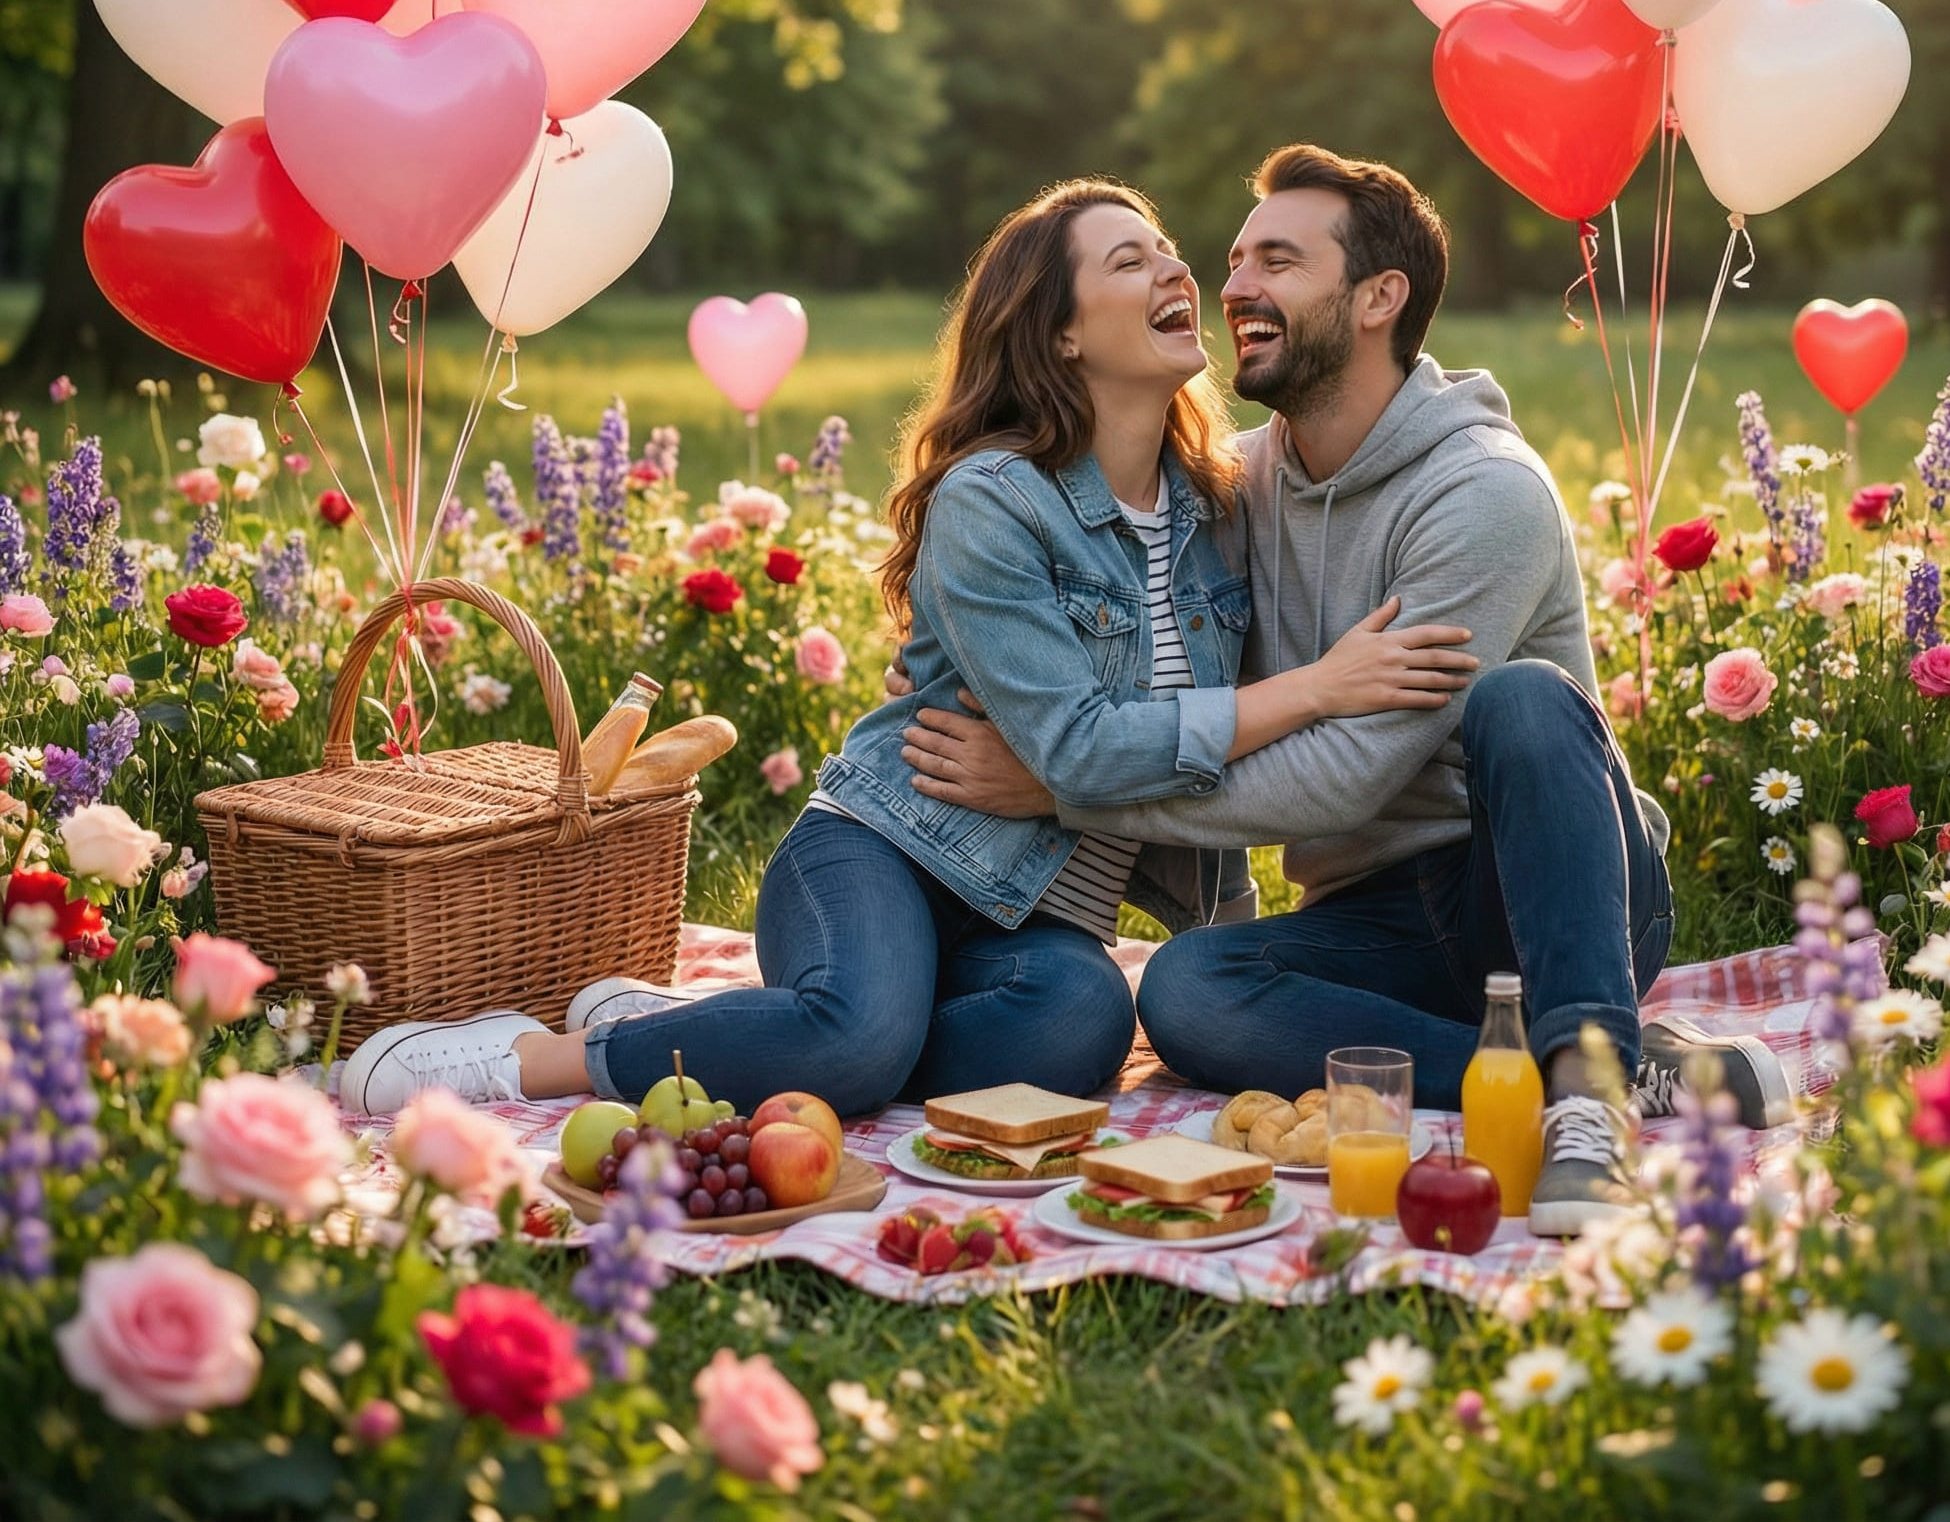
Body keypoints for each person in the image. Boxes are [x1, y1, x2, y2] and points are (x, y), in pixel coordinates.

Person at [340, 179, 1477, 1121]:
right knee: (860, 1037)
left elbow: (1185, 762)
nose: (1181, 274)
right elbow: (1083, 751)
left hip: (1040, 917)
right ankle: (525, 1058)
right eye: (1131, 262)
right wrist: (1316, 688)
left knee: (1077, 1031)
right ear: (1062, 330)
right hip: (888, 849)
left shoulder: (1216, 506)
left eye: (1168, 252)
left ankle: (697, 1031)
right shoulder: (994, 498)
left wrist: (1224, 942)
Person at [899, 146, 1792, 1236]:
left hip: (1541, 889)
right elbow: (1099, 626)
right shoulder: (1226, 489)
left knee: (1520, 698)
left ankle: (1583, 1100)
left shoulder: (1483, 493)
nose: (1231, 286)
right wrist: (970, 662)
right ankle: (1590, 1068)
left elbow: (1339, 777)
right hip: (1369, 920)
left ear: (1378, 299)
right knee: (1183, 989)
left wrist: (1054, 788)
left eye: (1277, 260)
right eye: (1232, 259)